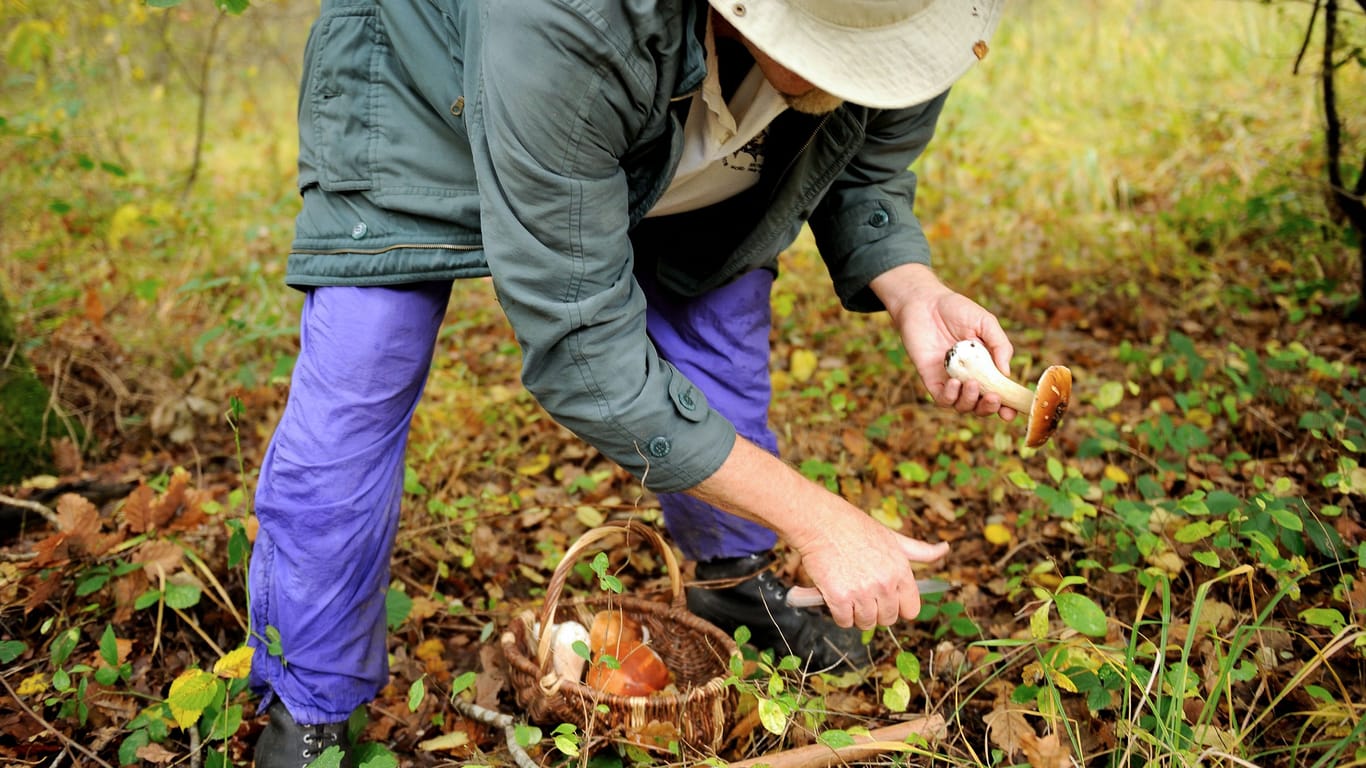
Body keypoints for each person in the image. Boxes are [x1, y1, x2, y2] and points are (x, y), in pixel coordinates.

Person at [247, 0, 1013, 765]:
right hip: (420, 86)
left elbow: (867, 162)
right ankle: (311, 701)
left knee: (716, 303)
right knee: (368, 351)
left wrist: (912, 287)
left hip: (661, 116)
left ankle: (733, 580)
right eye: (836, 53)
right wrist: (818, 520)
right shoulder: (564, 18)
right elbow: (583, 343)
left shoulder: (908, 12)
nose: (862, 73)